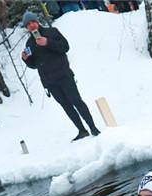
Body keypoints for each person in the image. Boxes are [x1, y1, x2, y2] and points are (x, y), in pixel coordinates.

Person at [20, 11, 100, 141]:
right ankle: (82, 130)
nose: (31, 25)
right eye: (28, 24)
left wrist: (48, 42)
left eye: (33, 22)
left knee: (77, 101)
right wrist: (26, 59)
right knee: (66, 106)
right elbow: (34, 65)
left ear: (37, 21)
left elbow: (65, 47)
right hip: (49, 81)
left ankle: (93, 127)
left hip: (63, 75)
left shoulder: (52, 32)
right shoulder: (29, 43)